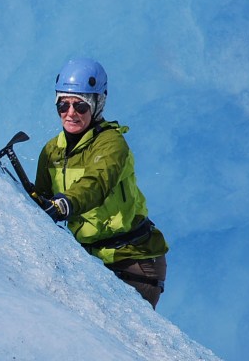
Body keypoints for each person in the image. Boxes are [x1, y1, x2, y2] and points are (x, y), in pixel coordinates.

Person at [33, 57, 169, 309]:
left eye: (80, 106)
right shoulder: (52, 151)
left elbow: (97, 183)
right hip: (93, 258)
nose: (70, 113)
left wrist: (66, 203)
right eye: (62, 105)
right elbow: (40, 198)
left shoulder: (111, 144)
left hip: (134, 262)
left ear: (97, 104)